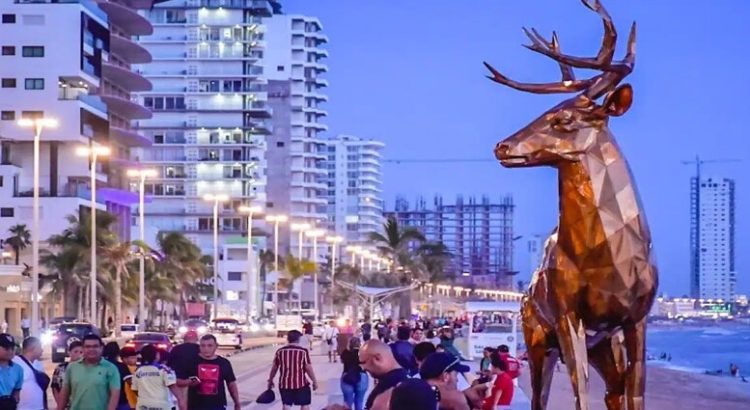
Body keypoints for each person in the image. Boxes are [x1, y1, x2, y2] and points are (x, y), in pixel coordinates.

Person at [58, 334, 121, 410]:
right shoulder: (72, 367)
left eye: (95, 346)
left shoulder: (111, 368)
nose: (91, 349)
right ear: (83, 349)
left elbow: (114, 395)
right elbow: (65, 392)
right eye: (88, 347)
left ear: (101, 348)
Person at [178, 334, 240, 410]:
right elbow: (177, 382)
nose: (206, 349)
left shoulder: (224, 363)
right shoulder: (191, 362)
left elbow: (231, 384)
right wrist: (188, 382)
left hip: (218, 406)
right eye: (203, 346)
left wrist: (237, 403)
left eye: (210, 345)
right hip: (195, 406)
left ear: (216, 346)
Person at [267, 330, 318, 410]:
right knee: (304, 405)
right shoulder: (303, 352)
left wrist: (270, 380)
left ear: (288, 339)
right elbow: (308, 368)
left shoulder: (280, 352)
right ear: (299, 339)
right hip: (301, 384)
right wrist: (314, 381)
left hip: (284, 384)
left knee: (286, 405)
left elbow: (274, 368)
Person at [132, 344, 185, 410]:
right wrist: (181, 400)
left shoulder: (138, 371)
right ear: (156, 355)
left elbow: (135, 389)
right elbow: (172, 386)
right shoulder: (163, 369)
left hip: (143, 405)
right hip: (162, 405)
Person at [359, 340, 408, 410]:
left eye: (364, 362)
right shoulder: (398, 379)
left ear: (377, 358)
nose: (363, 368)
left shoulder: (391, 386)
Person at [13, 337, 48, 410]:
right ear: (32, 348)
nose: (42, 350)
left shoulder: (38, 364)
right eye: (40, 347)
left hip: (39, 407)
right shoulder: (15, 362)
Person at [168, 331, 199, 406]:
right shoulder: (200, 349)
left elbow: (169, 365)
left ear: (184, 339)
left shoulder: (176, 349)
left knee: (182, 401)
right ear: (196, 339)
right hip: (196, 381)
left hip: (180, 381)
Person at [52, 341, 83, 410]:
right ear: (69, 352)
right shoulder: (61, 368)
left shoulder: (86, 368)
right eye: (75, 352)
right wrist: (60, 405)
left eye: (81, 352)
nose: (79, 355)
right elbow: (55, 387)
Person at [103, 342, 133, 410]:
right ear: (118, 353)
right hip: (120, 401)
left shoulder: (101, 366)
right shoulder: (122, 366)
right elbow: (131, 383)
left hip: (103, 401)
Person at [339, 337, 368, 410]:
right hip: (361, 376)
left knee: (347, 401)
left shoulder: (345, 352)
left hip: (347, 376)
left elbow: (342, 361)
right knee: (359, 400)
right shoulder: (363, 353)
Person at [0, 334, 23, 409]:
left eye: (12, 348)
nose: (10, 351)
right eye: (6, 348)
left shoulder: (18, 369)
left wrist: (13, 401)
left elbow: (16, 392)